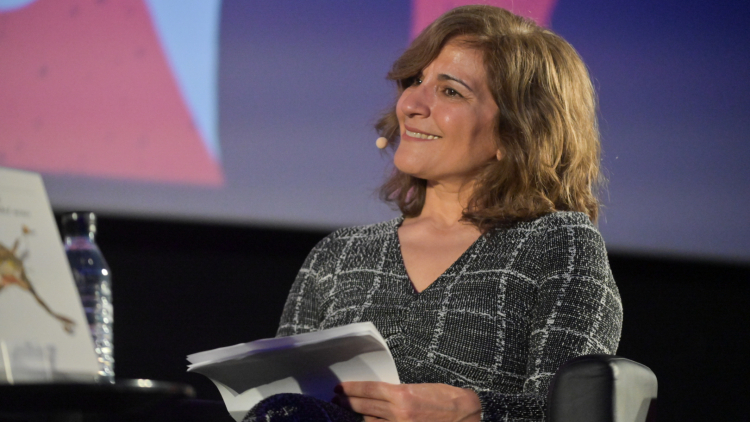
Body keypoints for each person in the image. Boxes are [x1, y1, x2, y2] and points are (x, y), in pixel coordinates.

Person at [245, 5, 622, 422]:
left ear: (516, 131)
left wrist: (471, 412)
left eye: (451, 92)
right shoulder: (338, 255)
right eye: (416, 81)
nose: (410, 104)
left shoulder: (557, 244)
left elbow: (577, 413)